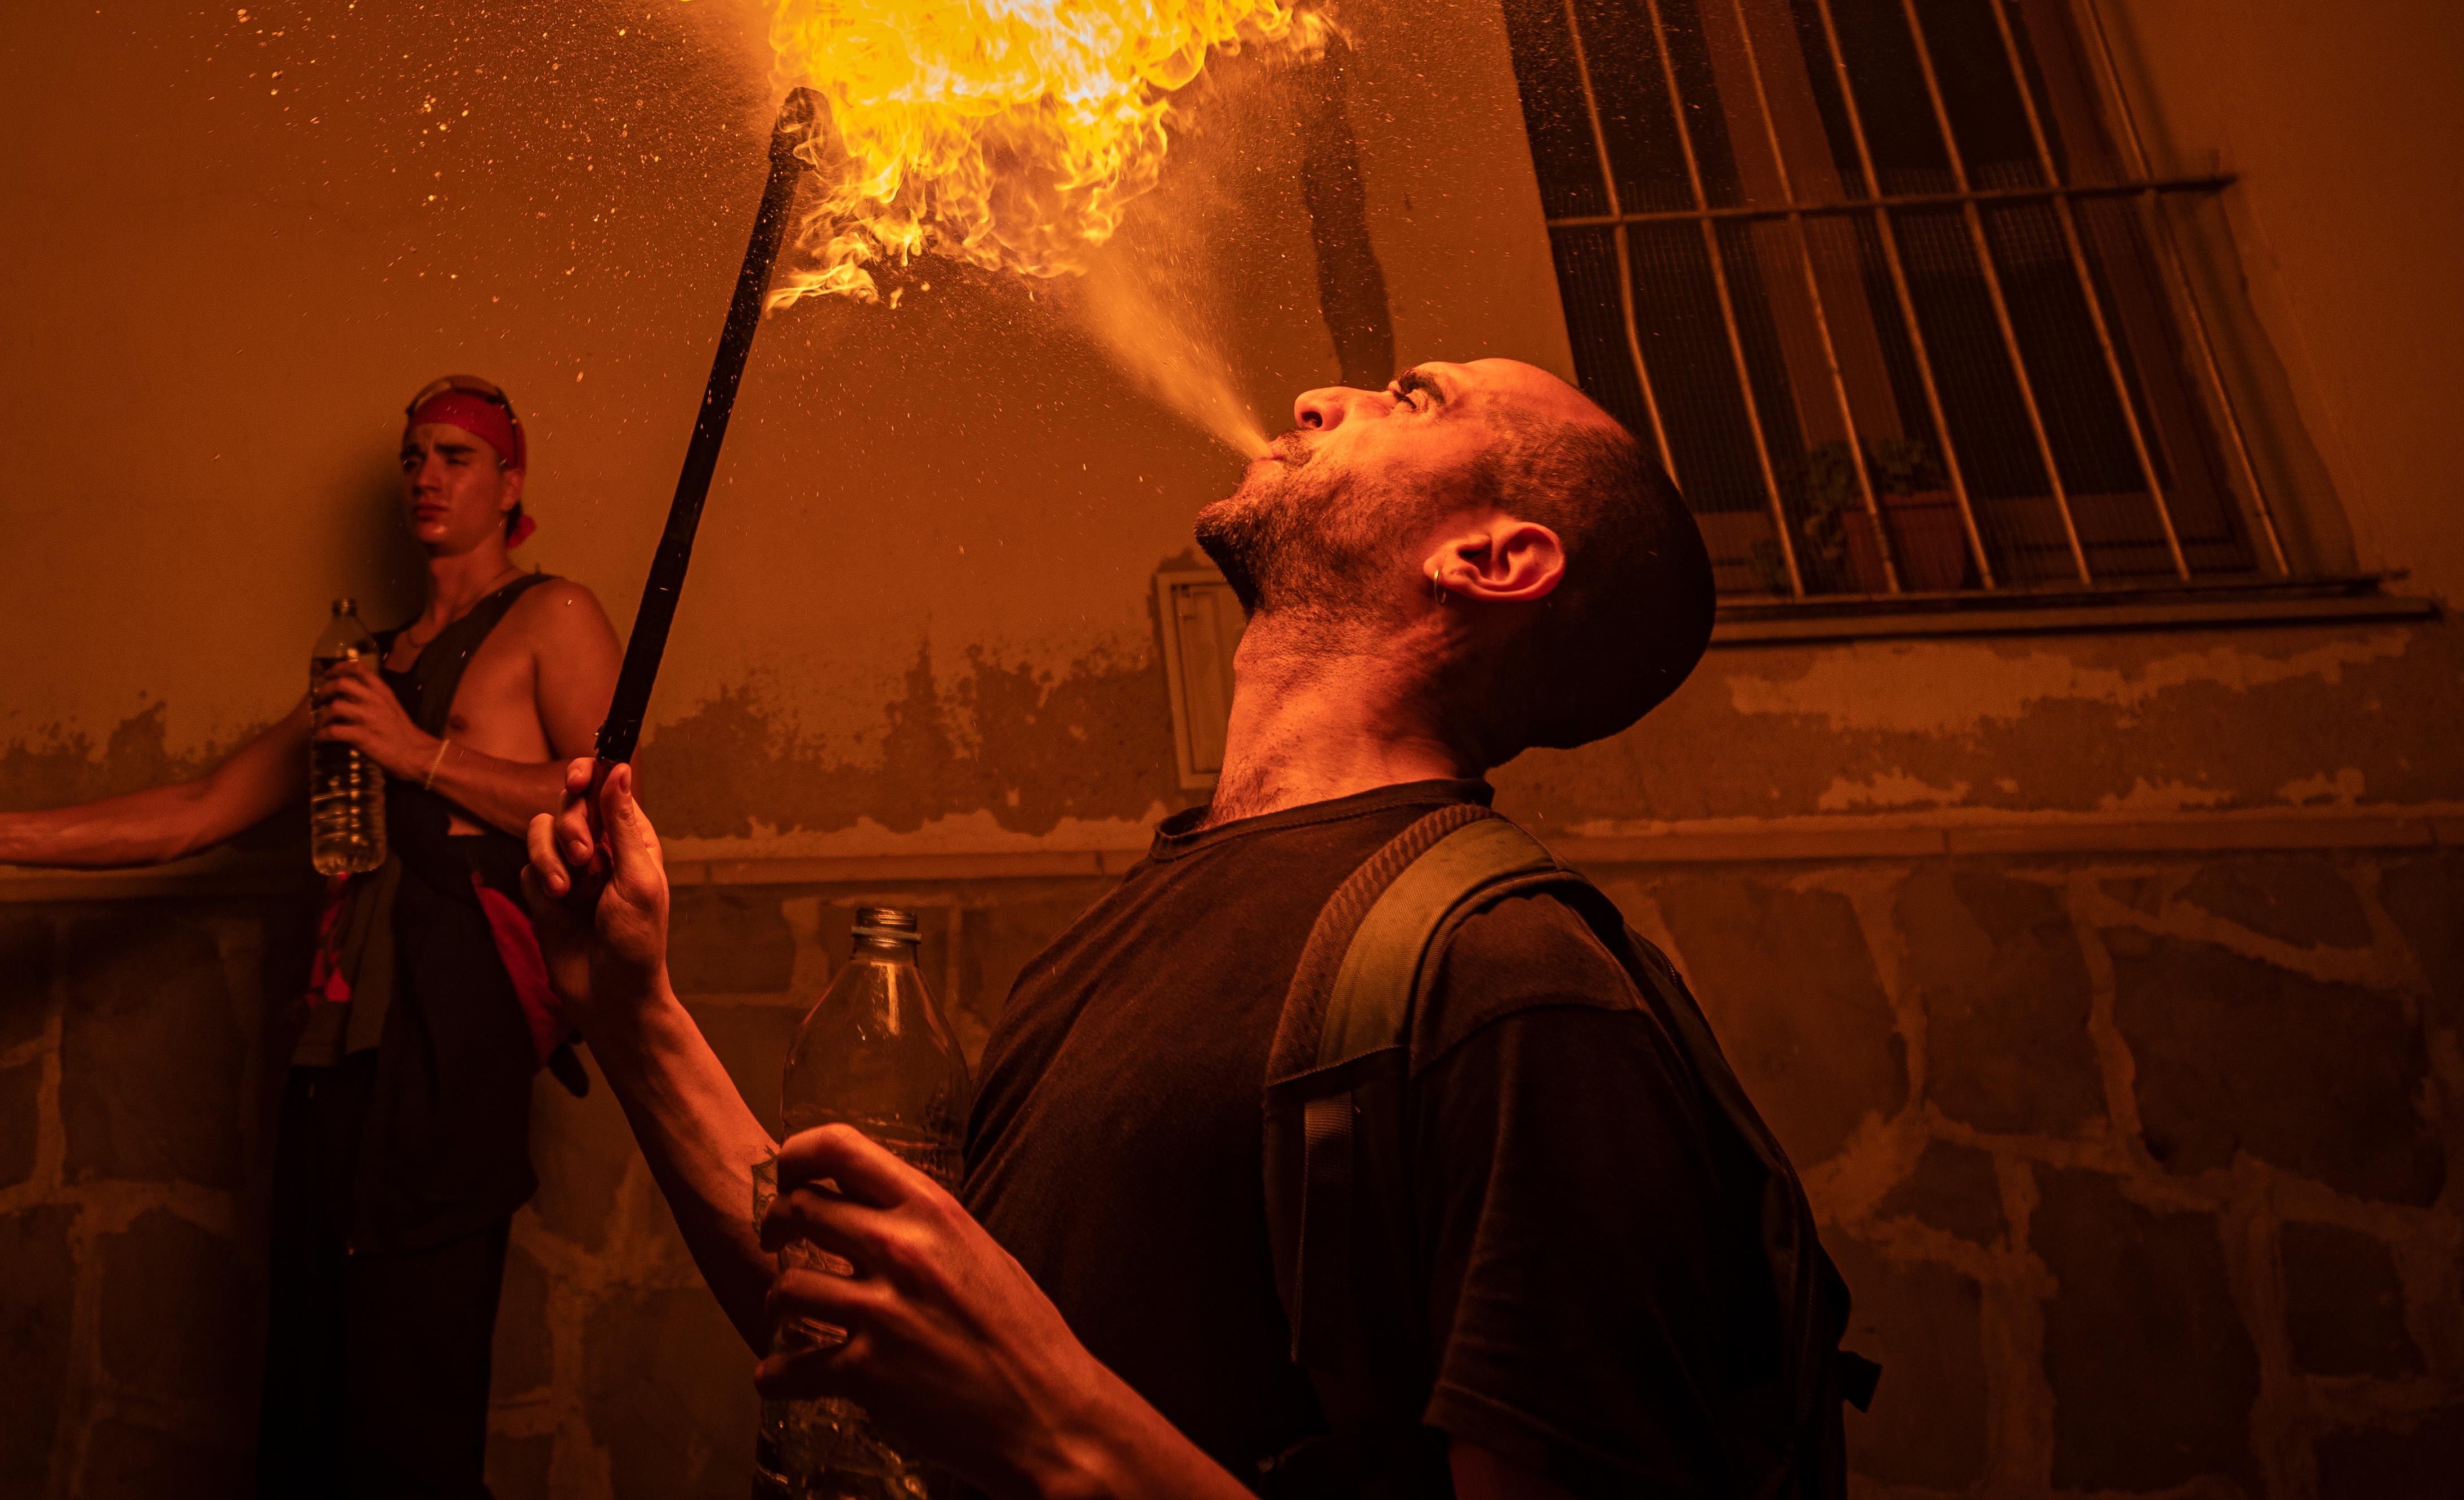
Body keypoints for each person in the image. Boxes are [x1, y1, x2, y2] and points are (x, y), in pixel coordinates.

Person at [525, 357, 1834, 1500]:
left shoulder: (1516, 996)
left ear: (1491, 557)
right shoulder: (1146, 911)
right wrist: (635, 1014)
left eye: (1417, 397)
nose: (1327, 394)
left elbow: (1021, 1406)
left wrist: (1056, 1428)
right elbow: (893, 1350)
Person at [0, 375, 623, 1500]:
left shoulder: (549, 615)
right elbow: (199, 808)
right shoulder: (359, 666)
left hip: (448, 1048)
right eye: (414, 455)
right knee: (312, 1394)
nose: (427, 474)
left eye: (458, 456)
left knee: (410, 1406)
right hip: (333, 1051)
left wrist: (416, 753)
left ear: (510, 483)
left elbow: (605, 804)